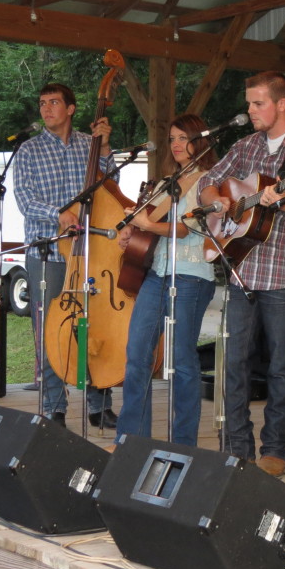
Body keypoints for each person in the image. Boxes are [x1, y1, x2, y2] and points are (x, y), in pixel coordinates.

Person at [197, 71, 285, 477]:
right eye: (249, 103)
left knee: (282, 365)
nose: (250, 110)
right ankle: (237, 446)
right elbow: (207, 181)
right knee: (234, 361)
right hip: (244, 269)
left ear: (281, 104)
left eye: (258, 103)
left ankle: (275, 450)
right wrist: (218, 204)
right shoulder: (246, 146)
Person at [13, 83, 118, 428]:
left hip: (90, 253)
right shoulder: (28, 151)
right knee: (49, 333)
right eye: (42, 103)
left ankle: (99, 404)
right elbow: (25, 200)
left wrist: (104, 149)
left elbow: (112, 187)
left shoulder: (91, 147)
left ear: (71, 109)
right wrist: (58, 213)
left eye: (54, 102)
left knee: (93, 328)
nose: (46, 109)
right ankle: (53, 407)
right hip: (47, 254)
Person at [114, 114, 218, 446]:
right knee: (137, 353)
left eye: (182, 138)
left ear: (198, 141)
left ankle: (184, 443)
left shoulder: (207, 181)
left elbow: (190, 229)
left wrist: (148, 223)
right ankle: (132, 439)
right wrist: (130, 230)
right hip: (157, 273)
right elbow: (143, 221)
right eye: (172, 138)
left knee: (183, 360)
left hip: (192, 276)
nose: (175, 144)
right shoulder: (165, 183)